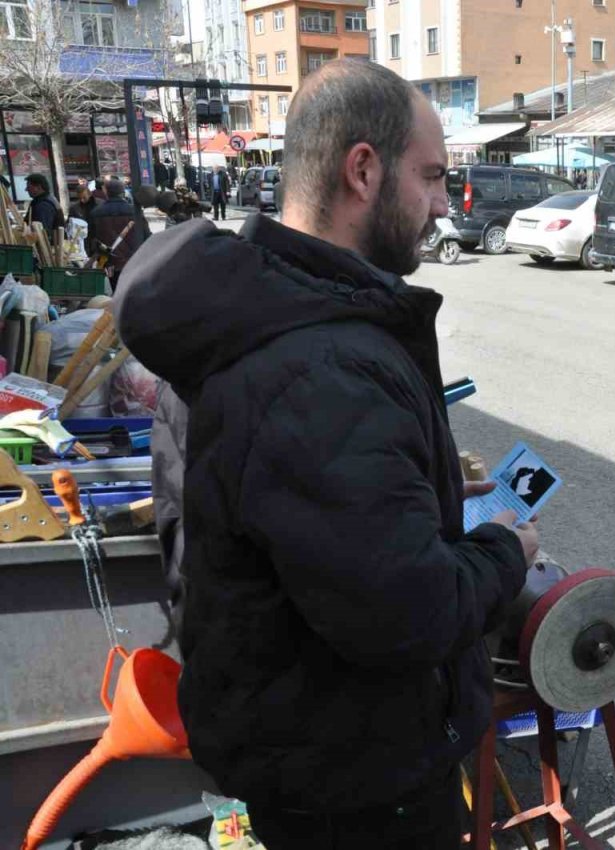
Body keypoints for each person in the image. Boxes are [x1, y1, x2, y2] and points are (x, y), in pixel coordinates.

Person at [115, 59, 536, 849]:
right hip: (361, 786)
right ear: (363, 170)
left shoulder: (245, 322)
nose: (444, 205)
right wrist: (505, 550)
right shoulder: (321, 366)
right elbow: (408, 612)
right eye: (433, 177)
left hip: (304, 760)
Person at [88, 178, 151, 281]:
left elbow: (91, 238)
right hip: (132, 258)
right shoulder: (134, 211)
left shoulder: (96, 212)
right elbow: (146, 234)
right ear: (122, 192)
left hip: (107, 260)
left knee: (114, 286)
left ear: (106, 192)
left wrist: (94, 256)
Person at [22, 174, 64, 238]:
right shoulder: (46, 199)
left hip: (49, 245)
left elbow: (43, 231)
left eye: (29, 187)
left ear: (38, 187)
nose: (26, 189)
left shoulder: (43, 205)